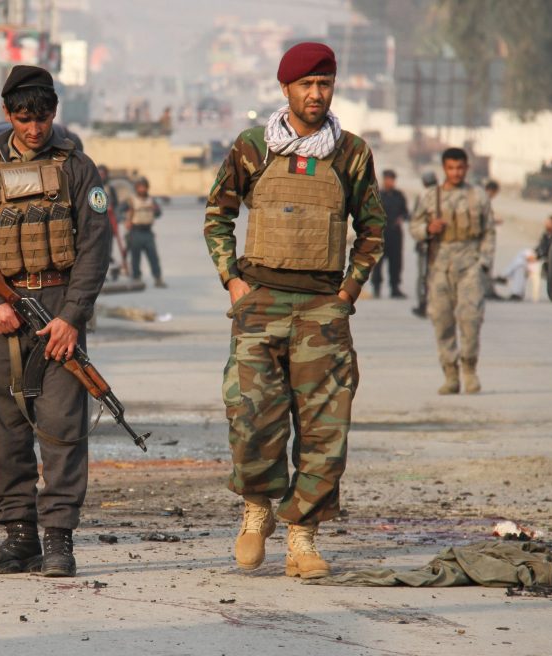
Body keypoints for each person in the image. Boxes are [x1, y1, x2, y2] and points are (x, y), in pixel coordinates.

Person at [203, 42, 385, 578]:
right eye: (306, 84)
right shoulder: (253, 147)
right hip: (259, 304)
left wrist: (349, 290)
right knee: (251, 420)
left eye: (324, 83)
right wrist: (232, 280)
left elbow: (373, 228)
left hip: (322, 310)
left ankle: (302, 535)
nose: (316, 93)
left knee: (326, 429)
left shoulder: (351, 152)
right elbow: (218, 214)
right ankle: (257, 510)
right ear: (285, 89)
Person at [0, 65, 110, 578]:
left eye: (42, 118)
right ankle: (20, 537)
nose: (34, 129)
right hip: (3, 315)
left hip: (57, 307)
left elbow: (93, 250)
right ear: (7, 114)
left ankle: (58, 540)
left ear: (54, 114)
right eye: (24, 118)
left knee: (63, 428)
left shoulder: (77, 168)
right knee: (7, 430)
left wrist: (71, 317)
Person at [409, 147, 496, 395]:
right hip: (439, 265)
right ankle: (450, 374)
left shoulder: (478, 196)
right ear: (444, 169)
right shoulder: (430, 197)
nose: (456, 173)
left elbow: (489, 231)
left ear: (466, 168)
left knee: (470, 320)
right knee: (442, 320)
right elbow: (414, 226)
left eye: (460, 168)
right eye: (451, 168)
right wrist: (428, 228)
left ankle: (469, 369)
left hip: (470, 264)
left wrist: (484, 263)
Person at [495, 214, 552, 300]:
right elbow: (539, 248)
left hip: (549, 263)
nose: (545, 224)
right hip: (539, 260)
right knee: (521, 263)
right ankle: (516, 293)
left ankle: (505, 277)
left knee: (522, 258)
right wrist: (533, 255)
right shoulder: (546, 235)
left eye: (548, 222)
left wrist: (537, 257)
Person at [370, 168, 407, 298]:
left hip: (395, 234)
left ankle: (395, 288)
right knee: (378, 262)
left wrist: (401, 218)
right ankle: (376, 287)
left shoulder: (399, 195)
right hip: (380, 234)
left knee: (396, 262)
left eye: (392, 180)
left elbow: (405, 212)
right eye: (388, 179)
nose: (390, 182)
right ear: (384, 180)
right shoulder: (377, 195)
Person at [125, 176, 166, 287]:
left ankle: (158, 278)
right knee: (135, 257)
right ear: (136, 188)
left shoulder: (151, 200)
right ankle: (136, 277)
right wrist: (125, 219)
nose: (142, 189)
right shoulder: (131, 200)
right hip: (135, 231)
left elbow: (158, 213)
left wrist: (155, 209)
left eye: (144, 187)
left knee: (153, 256)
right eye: (140, 187)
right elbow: (119, 211)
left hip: (148, 232)